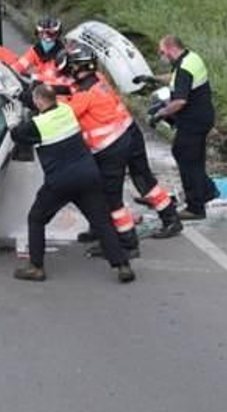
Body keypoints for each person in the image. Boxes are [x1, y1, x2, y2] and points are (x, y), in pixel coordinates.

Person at [59, 43, 184, 255]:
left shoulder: (85, 96)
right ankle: (170, 218)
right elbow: (72, 90)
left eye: (69, 69)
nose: (67, 74)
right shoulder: (98, 79)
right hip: (130, 133)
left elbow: (63, 113)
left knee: (110, 198)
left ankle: (125, 243)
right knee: (143, 179)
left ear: (78, 68)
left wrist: (43, 97)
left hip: (111, 147)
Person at [9, 84, 134, 284]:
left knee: (36, 219)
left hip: (60, 182)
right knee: (102, 221)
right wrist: (19, 95)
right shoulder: (66, 110)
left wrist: (12, 124)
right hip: (88, 175)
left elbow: (18, 136)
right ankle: (123, 265)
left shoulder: (37, 124)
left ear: (39, 101)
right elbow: (47, 98)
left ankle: (36, 267)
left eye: (35, 100)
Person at [152, 36, 218, 220]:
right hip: (202, 117)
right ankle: (207, 190)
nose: (161, 55)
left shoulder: (183, 68)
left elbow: (180, 101)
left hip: (193, 121)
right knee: (192, 158)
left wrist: (161, 113)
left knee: (186, 159)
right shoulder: (191, 58)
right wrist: (153, 78)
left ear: (171, 49)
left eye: (162, 52)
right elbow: (176, 79)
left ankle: (195, 207)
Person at [13, 16, 73, 89]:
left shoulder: (62, 55)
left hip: (58, 90)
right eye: (42, 34)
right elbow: (21, 64)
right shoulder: (36, 49)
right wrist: (13, 70)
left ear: (57, 35)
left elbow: (51, 77)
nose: (46, 38)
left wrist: (31, 76)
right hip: (40, 88)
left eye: (51, 34)